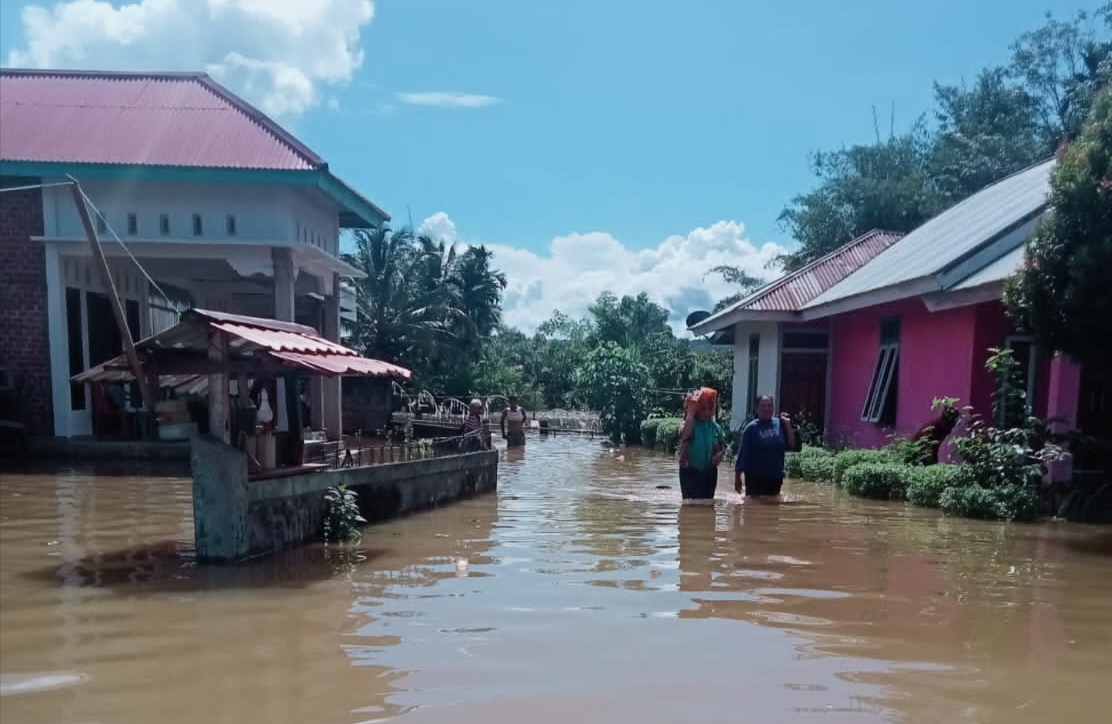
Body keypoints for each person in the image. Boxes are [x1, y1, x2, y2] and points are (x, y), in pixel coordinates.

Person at [734, 395, 796, 499]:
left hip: (775, 477)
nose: (767, 408)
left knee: (774, 505)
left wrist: (787, 424)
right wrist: (737, 478)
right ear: (757, 408)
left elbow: (792, 444)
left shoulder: (779, 423)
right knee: (755, 505)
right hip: (756, 478)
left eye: (770, 405)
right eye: (763, 406)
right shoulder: (751, 428)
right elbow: (742, 454)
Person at [678, 387, 727, 503]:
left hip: (709, 472)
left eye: (709, 409)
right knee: (690, 506)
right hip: (690, 472)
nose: (707, 412)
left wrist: (719, 456)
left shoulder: (715, 427)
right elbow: (685, 435)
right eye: (703, 409)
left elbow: (723, 447)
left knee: (708, 505)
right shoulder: (689, 424)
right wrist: (691, 411)